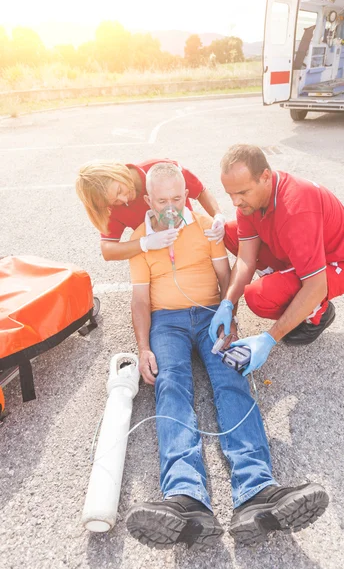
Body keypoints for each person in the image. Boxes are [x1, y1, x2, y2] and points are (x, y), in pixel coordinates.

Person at [125, 162, 329, 548]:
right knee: (171, 387)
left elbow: (224, 275)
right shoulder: (141, 239)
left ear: (186, 196)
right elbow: (138, 299)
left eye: (176, 198)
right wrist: (144, 346)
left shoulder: (205, 226)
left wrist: (229, 317)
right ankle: (185, 499)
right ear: (149, 201)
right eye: (161, 200)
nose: (170, 206)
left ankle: (257, 492)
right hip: (165, 321)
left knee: (231, 379)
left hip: (207, 315)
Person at [209, 144, 344, 377]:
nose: (235, 202)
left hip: (337, 265)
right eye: (230, 194)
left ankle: (318, 313)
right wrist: (228, 304)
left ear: (265, 177)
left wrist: (270, 338)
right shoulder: (251, 203)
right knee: (230, 232)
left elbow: (316, 284)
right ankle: (289, 286)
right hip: (303, 251)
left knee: (259, 296)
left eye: (242, 193)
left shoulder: (296, 209)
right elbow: (245, 259)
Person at [75, 158, 226, 262]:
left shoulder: (161, 169)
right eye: (115, 201)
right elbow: (107, 250)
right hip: (158, 256)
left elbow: (200, 191)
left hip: (190, 240)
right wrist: (145, 243)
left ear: (118, 172)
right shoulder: (112, 207)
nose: (124, 200)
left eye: (120, 190)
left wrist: (217, 215)